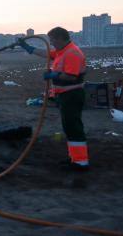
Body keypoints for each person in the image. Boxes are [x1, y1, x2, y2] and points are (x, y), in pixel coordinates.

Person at [17, 27, 88, 170]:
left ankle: (81, 162)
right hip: (64, 95)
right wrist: (28, 48)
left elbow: (71, 76)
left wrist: (53, 75)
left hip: (72, 95)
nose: (52, 43)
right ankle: (74, 158)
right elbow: (47, 54)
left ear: (61, 38)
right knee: (69, 127)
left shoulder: (72, 53)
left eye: (53, 40)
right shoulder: (63, 51)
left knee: (73, 128)